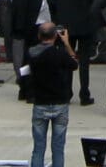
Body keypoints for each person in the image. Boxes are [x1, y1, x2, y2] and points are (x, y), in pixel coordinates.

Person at [25, 22, 78, 167]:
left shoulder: (32, 53)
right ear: (55, 35)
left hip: (40, 103)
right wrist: (67, 44)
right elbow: (74, 64)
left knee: (38, 148)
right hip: (60, 103)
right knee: (58, 148)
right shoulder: (59, 53)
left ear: (39, 36)